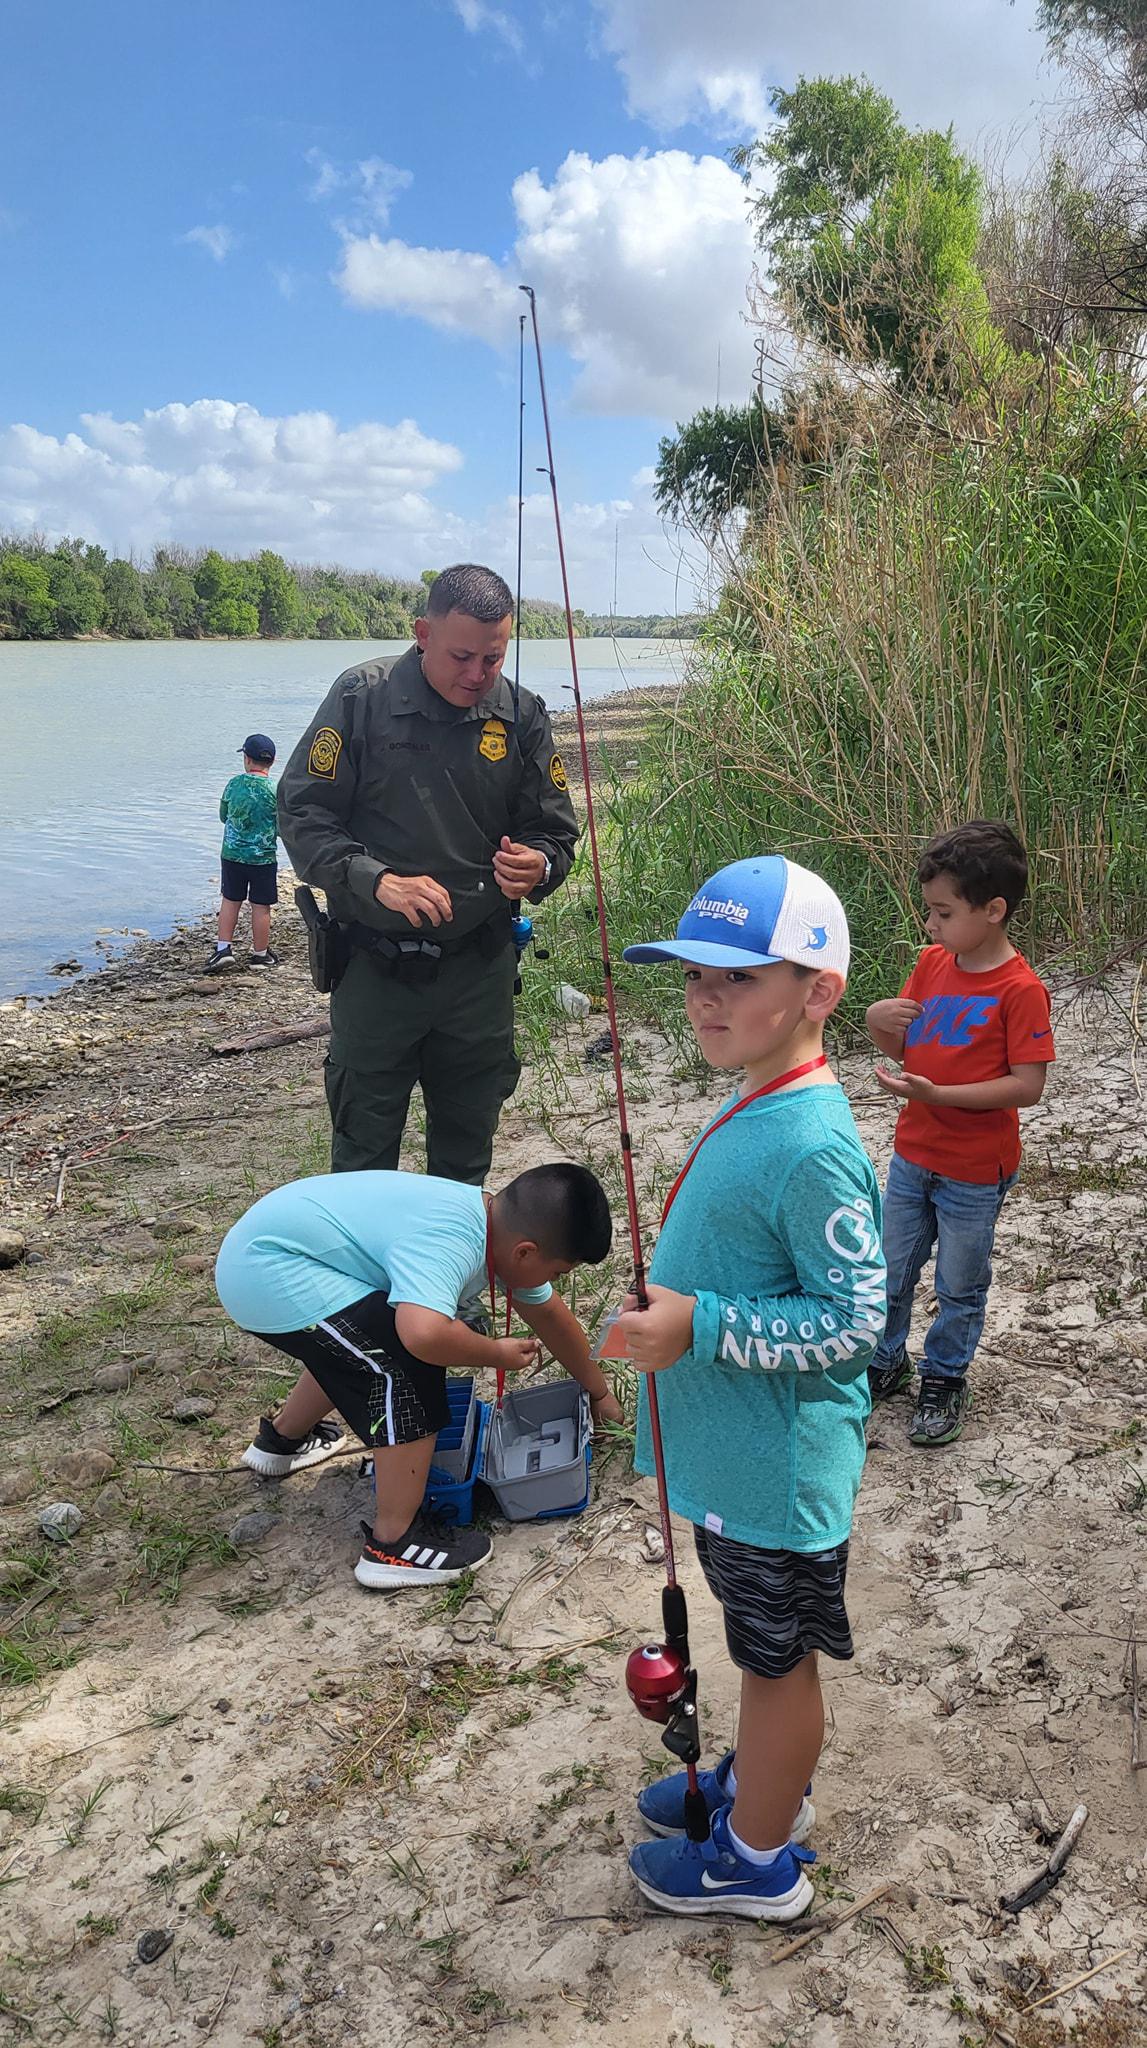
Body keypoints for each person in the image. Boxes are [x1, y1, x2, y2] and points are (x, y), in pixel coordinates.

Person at [612, 856, 886, 1923]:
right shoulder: (759, 1096)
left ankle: (754, 1859)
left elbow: (856, 1319)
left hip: (775, 1472)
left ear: (818, 992)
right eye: (692, 977)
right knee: (756, 1648)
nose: (706, 998)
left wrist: (701, 1322)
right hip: (737, 1464)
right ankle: (757, 1781)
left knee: (778, 1669)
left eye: (737, 977)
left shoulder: (813, 1140)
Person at [277, 564, 578, 1183]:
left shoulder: (520, 714)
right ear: (422, 632)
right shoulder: (362, 696)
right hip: (375, 969)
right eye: (462, 656)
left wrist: (539, 865)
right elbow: (302, 811)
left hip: (480, 974)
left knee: (465, 1160)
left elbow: (555, 832)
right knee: (363, 1155)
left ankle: (450, 1278)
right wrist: (372, 877)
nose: (477, 675)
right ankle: (365, 1281)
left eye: (493, 658)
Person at [214, 1160, 620, 1590]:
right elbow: (423, 1337)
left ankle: (280, 1443)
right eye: (557, 1273)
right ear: (525, 1252)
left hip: (267, 1255)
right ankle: (394, 1545)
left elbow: (551, 1317)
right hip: (266, 1271)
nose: (553, 1282)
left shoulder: (488, 1224)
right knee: (402, 1365)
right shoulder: (451, 1242)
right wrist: (493, 1353)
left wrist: (599, 1393)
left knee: (358, 1343)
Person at [865, 818, 1055, 1446]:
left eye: (943, 913)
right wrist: (876, 1022)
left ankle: (945, 1375)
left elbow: (1028, 1086)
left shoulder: (1020, 989)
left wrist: (940, 1095)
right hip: (915, 1151)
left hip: (976, 1165)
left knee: (959, 1280)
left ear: (994, 909)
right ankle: (885, 1360)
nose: (931, 925)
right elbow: (905, 1044)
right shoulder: (930, 965)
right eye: (930, 912)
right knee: (893, 1265)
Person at [206, 732, 280, 972]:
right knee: (261, 906)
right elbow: (281, 826)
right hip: (263, 857)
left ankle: (223, 949)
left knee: (230, 900)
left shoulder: (234, 784)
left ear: (247, 759)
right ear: (272, 762)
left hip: (232, 856)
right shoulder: (276, 789)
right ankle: (260, 954)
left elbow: (222, 816)